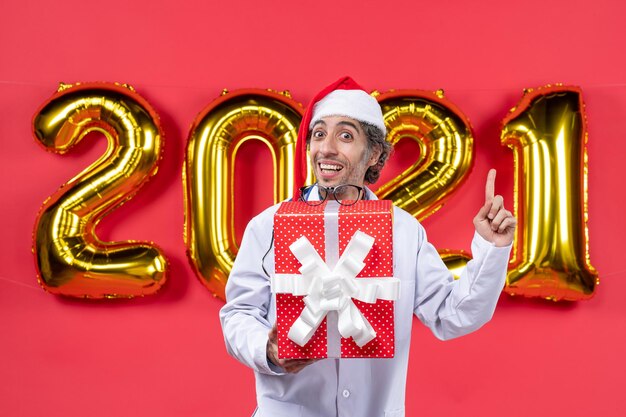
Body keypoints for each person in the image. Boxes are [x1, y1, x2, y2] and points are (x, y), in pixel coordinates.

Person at [219, 76, 516, 417]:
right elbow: (239, 315)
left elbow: (453, 315)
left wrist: (492, 249)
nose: (327, 148)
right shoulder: (268, 226)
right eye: (319, 134)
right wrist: (267, 349)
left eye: (345, 135)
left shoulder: (403, 231)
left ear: (374, 153)